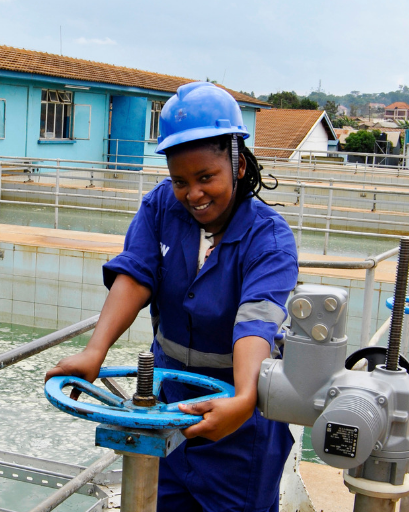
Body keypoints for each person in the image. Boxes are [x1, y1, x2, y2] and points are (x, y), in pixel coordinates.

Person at [44, 82, 298, 511]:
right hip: (165, 407)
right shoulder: (162, 207)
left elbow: (256, 322)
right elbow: (135, 276)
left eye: (205, 178)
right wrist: (94, 352)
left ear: (237, 164)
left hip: (240, 425)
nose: (192, 194)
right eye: (180, 180)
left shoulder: (269, 239)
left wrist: (243, 399)